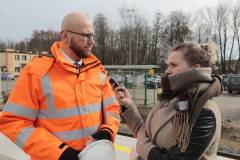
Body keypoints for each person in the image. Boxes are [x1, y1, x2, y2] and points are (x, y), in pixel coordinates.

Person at [0, 12, 120, 160]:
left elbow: (112, 109)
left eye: (92, 36)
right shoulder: (36, 73)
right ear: (65, 36)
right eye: (86, 36)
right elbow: (13, 122)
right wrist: (59, 153)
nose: (92, 41)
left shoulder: (97, 70)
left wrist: (108, 132)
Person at [115, 42, 223, 160]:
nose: (167, 70)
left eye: (174, 65)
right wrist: (128, 105)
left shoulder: (204, 111)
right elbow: (145, 133)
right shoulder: (170, 98)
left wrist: (142, 145)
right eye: (168, 65)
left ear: (195, 68)